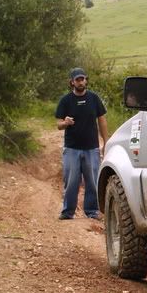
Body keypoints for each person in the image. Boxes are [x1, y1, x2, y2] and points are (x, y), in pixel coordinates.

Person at [55, 67, 108, 220]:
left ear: (86, 80)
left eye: (83, 79)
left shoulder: (94, 98)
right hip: (72, 148)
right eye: (77, 79)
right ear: (72, 82)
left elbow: (102, 120)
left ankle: (92, 212)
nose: (81, 82)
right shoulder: (65, 100)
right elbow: (58, 124)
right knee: (71, 181)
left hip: (91, 147)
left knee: (92, 181)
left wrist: (106, 140)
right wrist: (65, 123)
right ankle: (67, 212)